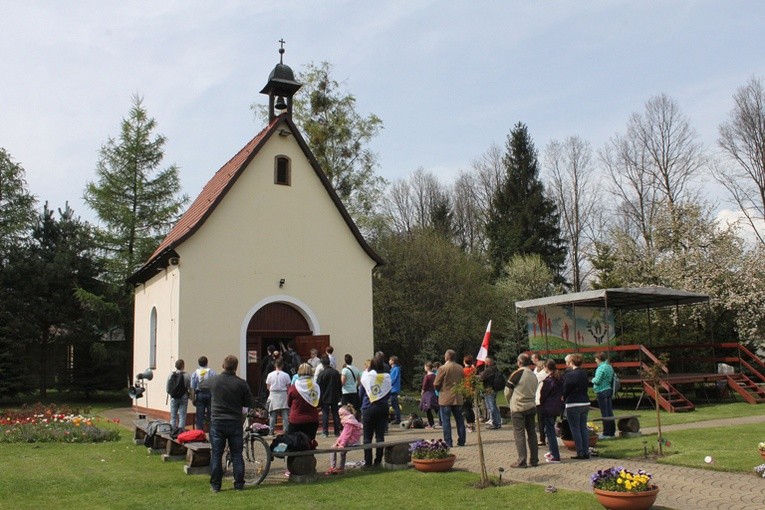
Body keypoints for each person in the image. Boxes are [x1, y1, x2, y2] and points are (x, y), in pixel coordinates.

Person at [198, 355, 253, 492]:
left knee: (217, 454)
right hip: (235, 421)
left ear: (223, 366)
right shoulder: (241, 383)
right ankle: (239, 483)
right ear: (236, 367)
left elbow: (201, 386)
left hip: (217, 421)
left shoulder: (214, 381)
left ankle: (216, 485)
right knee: (237, 454)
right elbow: (248, 403)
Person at [506, 353, 539, 468]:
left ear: (519, 362)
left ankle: (522, 460)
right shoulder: (533, 374)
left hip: (518, 407)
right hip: (531, 405)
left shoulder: (517, 373)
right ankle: (534, 459)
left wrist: (510, 401)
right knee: (532, 433)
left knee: (519, 434)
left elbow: (507, 391)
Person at [358, 357, 391, 466]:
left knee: (367, 437)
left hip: (368, 407)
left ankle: (368, 462)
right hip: (383, 408)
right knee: (380, 436)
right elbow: (388, 394)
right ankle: (378, 461)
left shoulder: (366, 377)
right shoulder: (387, 377)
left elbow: (361, 393)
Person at [433, 349, 466, 448]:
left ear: (446, 357)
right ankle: (462, 441)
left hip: (445, 397)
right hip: (457, 396)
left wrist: (438, 390)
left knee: (446, 421)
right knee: (460, 420)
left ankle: (448, 442)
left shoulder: (443, 368)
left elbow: (436, 383)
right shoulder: (460, 368)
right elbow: (464, 381)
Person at [563, 353, 591, 460]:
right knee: (583, 428)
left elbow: (566, 388)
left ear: (572, 362)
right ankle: (586, 450)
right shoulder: (584, 374)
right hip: (585, 402)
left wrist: (563, 397)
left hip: (573, 402)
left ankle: (580, 452)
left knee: (575, 429)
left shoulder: (570, 375)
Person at [325, 404, 362, 475]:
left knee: (333, 449)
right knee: (340, 451)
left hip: (353, 443)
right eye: (339, 415)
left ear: (346, 414)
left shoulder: (349, 423)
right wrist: (337, 442)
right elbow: (342, 434)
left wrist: (342, 444)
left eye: (341, 415)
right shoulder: (350, 421)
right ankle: (341, 468)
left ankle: (333, 467)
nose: (340, 417)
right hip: (352, 441)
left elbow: (346, 435)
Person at [539, 359, 564, 463]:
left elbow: (543, 395)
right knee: (550, 429)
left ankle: (555, 455)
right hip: (556, 406)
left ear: (546, 367)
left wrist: (541, 403)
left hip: (548, 407)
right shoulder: (560, 379)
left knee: (550, 432)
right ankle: (552, 451)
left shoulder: (549, 381)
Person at [287, 363, 321, 440]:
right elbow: (318, 403)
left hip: (296, 420)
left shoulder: (294, 387)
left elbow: (289, 403)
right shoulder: (315, 386)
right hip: (312, 420)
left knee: (294, 444)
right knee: (309, 444)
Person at [316, 355, 343, 437]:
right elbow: (340, 384)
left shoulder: (322, 374)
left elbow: (318, 386)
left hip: (325, 396)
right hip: (335, 396)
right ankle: (337, 431)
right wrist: (340, 395)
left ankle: (325, 431)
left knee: (325, 414)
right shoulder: (336, 372)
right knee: (335, 414)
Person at [592, 351, 616, 439]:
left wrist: (592, 380)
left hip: (602, 391)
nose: (595, 360)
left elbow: (597, 380)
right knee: (609, 412)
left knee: (605, 413)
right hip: (608, 389)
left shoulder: (601, 368)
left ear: (599, 359)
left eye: (595, 359)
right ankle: (612, 432)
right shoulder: (609, 366)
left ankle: (607, 433)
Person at [265, 358, 291, 436]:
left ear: (275, 365)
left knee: (272, 414)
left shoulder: (270, 375)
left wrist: (272, 391)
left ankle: (271, 430)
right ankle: (286, 430)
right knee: (285, 414)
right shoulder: (286, 375)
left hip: (273, 394)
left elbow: (268, 386)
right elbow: (288, 386)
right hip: (283, 394)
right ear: (282, 365)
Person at [191, 356, 216, 431]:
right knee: (211, 414)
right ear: (207, 363)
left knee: (200, 415)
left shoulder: (195, 373)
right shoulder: (212, 372)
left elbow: (193, 387)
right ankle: (212, 431)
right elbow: (215, 385)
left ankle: (199, 432)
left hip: (200, 394)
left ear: (198, 363)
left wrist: (193, 399)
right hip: (209, 393)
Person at [167, 359, 191, 433]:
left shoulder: (171, 374)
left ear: (175, 366)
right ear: (183, 366)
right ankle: (181, 432)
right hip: (183, 397)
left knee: (173, 416)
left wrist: (171, 393)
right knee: (182, 416)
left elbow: (167, 388)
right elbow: (189, 387)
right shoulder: (186, 375)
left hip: (173, 397)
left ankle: (172, 431)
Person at [479, 357, 501, 429]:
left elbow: (481, 378)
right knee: (494, 406)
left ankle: (495, 423)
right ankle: (498, 422)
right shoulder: (495, 369)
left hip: (489, 389)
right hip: (495, 389)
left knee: (491, 407)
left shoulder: (488, 370)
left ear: (488, 362)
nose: (485, 363)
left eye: (485, 362)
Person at [535, 357, 549, 446]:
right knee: (549, 420)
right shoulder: (551, 375)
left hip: (540, 400)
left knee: (541, 421)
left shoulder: (539, 375)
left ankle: (542, 439)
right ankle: (548, 437)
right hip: (549, 400)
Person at [420, 362, 438, 428]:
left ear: (427, 368)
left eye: (425, 367)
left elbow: (424, 385)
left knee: (427, 409)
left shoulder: (427, 376)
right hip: (433, 392)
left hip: (427, 393)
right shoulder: (435, 376)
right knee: (435, 407)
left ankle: (431, 423)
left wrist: (422, 392)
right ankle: (439, 422)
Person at [462, 354, 477, 432]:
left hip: (465, 390)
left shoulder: (464, 370)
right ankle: (473, 424)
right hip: (472, 390)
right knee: (470, 408)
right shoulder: (473, 370)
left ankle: (469, 425)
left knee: (466, 409)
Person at [389, 356, 402, 424]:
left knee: (395, 404)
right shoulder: (393, 369)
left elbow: (392, 379)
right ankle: (396, 417)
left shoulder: (395, 369)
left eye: (390, 360)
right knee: (394, 404)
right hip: (393, 388)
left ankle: (398, 418)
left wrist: (389, 384)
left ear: (393, 361)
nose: (389, 361)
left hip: (393, 389)